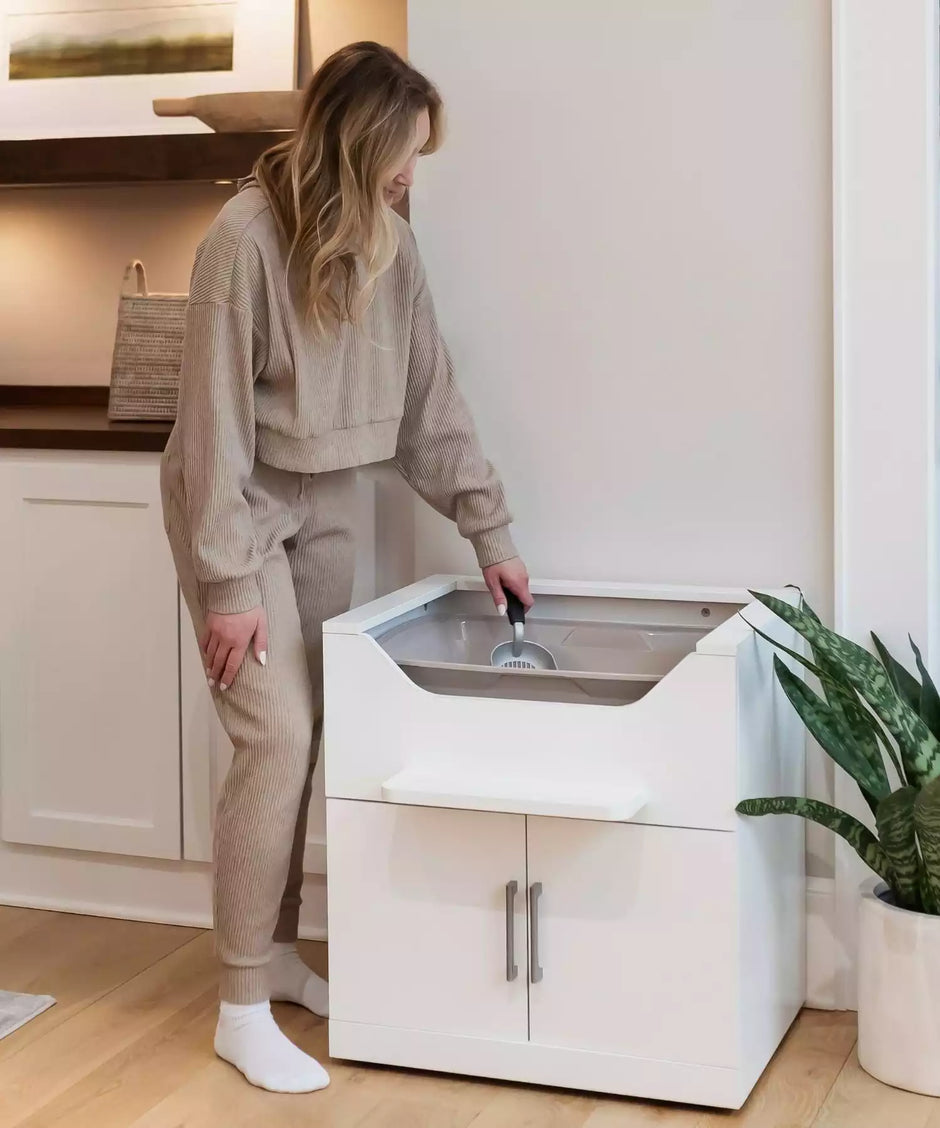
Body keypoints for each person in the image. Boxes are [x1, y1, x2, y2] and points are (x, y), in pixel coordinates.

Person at [160, 41, 531, 1094]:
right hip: (232, 501)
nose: (415, 173)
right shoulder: (241, 239)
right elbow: (214, 432)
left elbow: (430, 406)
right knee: (272, 734)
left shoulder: (392, 247)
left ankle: (275, 953)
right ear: (361, 141)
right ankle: (238, 1002)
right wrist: (226, 585)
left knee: (317, 726)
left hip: (329, 497)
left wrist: (489, 534)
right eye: (405, 153)